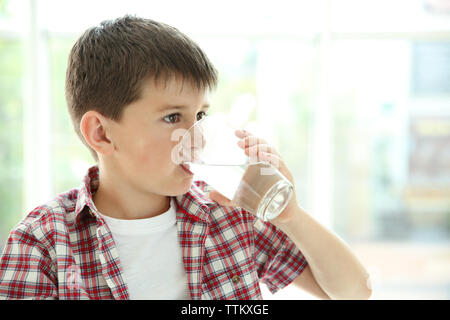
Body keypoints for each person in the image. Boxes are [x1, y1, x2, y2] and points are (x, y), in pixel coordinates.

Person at [0, 15, 371, 300]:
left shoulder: (229, 213)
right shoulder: (43, 241)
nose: (196, 139)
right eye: (173, 117)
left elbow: (354, 291)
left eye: (201, 116)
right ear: (101, 133)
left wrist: (291, 217)